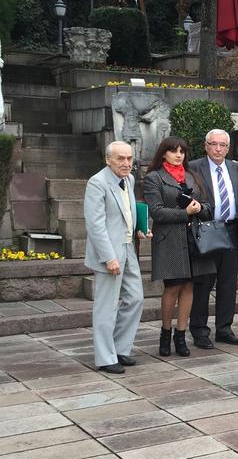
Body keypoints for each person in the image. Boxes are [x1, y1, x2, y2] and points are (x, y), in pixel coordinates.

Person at [143, 136, 214, 356]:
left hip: (194, 240)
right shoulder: (154, 178)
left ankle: (181, 335)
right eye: (174, 151)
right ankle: (165, 333)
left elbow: (209, 207)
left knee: (190, 287)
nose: (178, 155)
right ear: (164, 153)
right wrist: (185, 213)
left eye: (182, 151)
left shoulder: (193, 176)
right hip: (170, 241)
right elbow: (156, 211)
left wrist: (199, 208)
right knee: (172, 287)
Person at [84, 141, 146, 374]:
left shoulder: (128, 180)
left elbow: (126, 212)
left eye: (129, 158)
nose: (126, 163)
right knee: (106, 307)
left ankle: (119, 348)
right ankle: (105, 357)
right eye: (120, 159)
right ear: (108, 160)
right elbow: (96, 225)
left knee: (136, 298)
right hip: (108, 252)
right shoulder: (97, 183)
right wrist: (108, 258)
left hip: (128, 247)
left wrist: (139, 228)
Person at [189, 129, 238, 348]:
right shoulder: (194, 167)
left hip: (231, 231)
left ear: (228, 147)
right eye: (214, 144)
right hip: (207, 231)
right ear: (206, 145)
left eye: (222, 145)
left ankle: (224, 329)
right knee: (203, 284)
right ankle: (200, 331)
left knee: (228, 284)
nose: (218, 149)